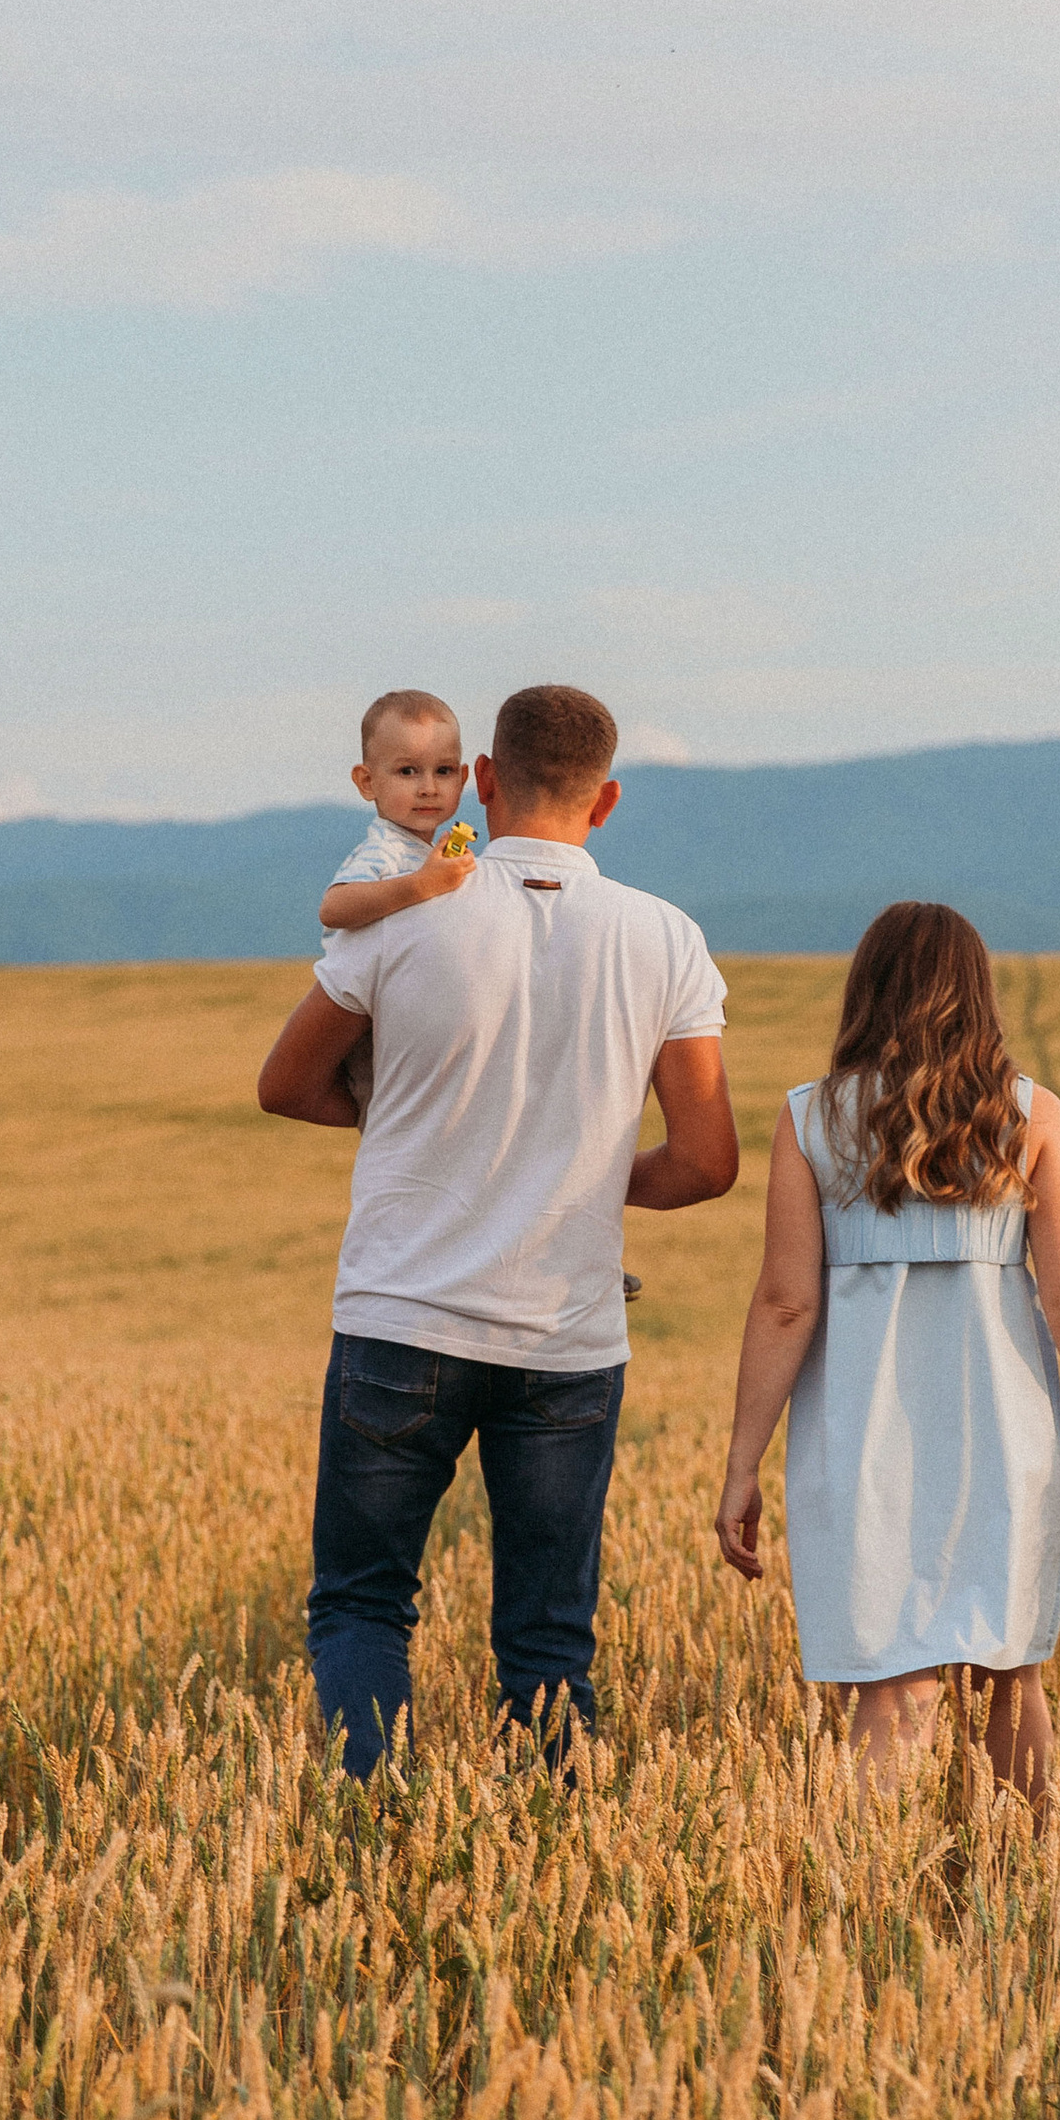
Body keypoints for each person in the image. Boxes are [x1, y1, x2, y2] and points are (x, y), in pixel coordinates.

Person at [257, 682, 739, 1776]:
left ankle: (369, 1837)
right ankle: (548, 1861)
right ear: (606, 800)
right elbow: (708, 1163)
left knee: (364, 1604)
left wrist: (426, 1138)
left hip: (400, 1319)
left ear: (480, 781)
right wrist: (569, 1174)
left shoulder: (407, 910)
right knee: (547, 1638)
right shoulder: (665, 937)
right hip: (564, 1339)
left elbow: (286, 1085)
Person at [715, 901, 1060, 1809]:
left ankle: (869, 1915)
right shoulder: (1030, 1116)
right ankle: (1036, 1902)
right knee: (1009, 1673)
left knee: (891, 1685)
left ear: (865, 993)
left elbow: (787, 1304)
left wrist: (742, 1465)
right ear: (978, 995)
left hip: (858, 1439)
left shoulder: (808, 1120)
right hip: (1002, 1432)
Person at [312, 690, 482, 1129]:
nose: (428, 787)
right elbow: (334, 907)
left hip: (404, 1014)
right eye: (408, 771)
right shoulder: (383, 850)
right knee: (399, 1120)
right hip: (366, 1024)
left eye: (443, 771)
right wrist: (421, 885)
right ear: (367, 782)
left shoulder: (428, 850)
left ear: (463, 779)